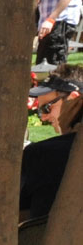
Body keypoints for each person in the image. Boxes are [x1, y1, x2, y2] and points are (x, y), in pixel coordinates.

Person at [20, 67, 83, 221]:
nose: (44, 117)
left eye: (47, 108)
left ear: (74, 98)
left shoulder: (42, 154)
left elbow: (20, 218)